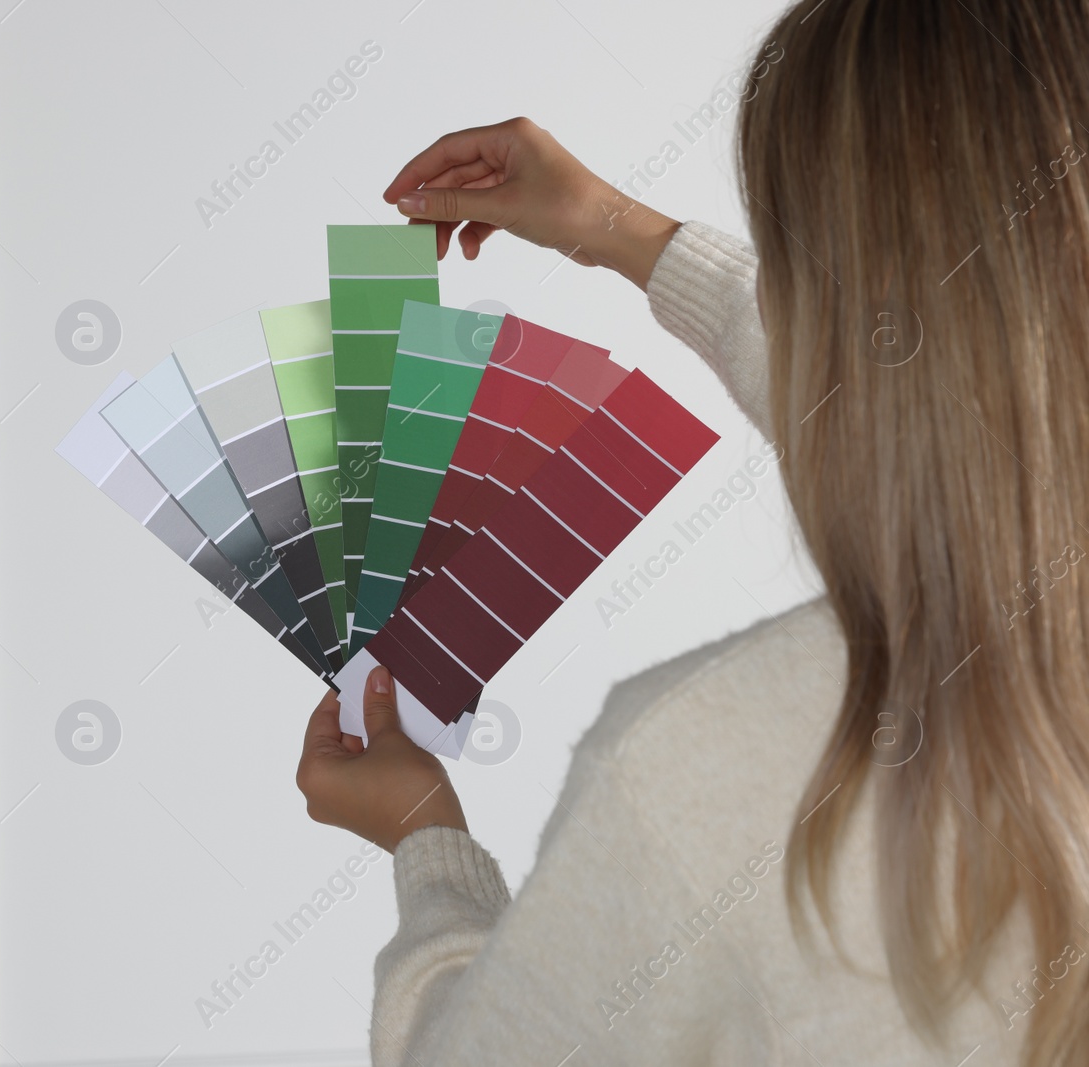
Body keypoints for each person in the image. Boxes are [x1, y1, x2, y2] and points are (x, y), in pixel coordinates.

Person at [294, 1, 1089, 1064]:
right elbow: (933, 406)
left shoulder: (701, 776)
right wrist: (621, 230)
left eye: (784, 249)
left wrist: (426, 840)